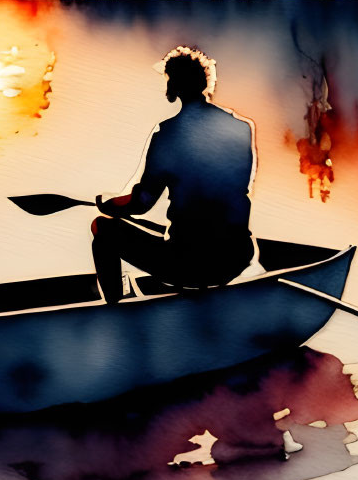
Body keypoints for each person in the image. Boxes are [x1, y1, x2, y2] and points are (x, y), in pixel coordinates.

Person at [91, 46, 257, 303]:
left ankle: (116, 310)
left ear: (175, 85)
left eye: (168, 79)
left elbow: (142, 203)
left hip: (189, 263)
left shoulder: (168, 135)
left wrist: (109, 204)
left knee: (102, 228)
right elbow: (229, 191)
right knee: (189, 238)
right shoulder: (241, 129)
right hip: (236, 257)